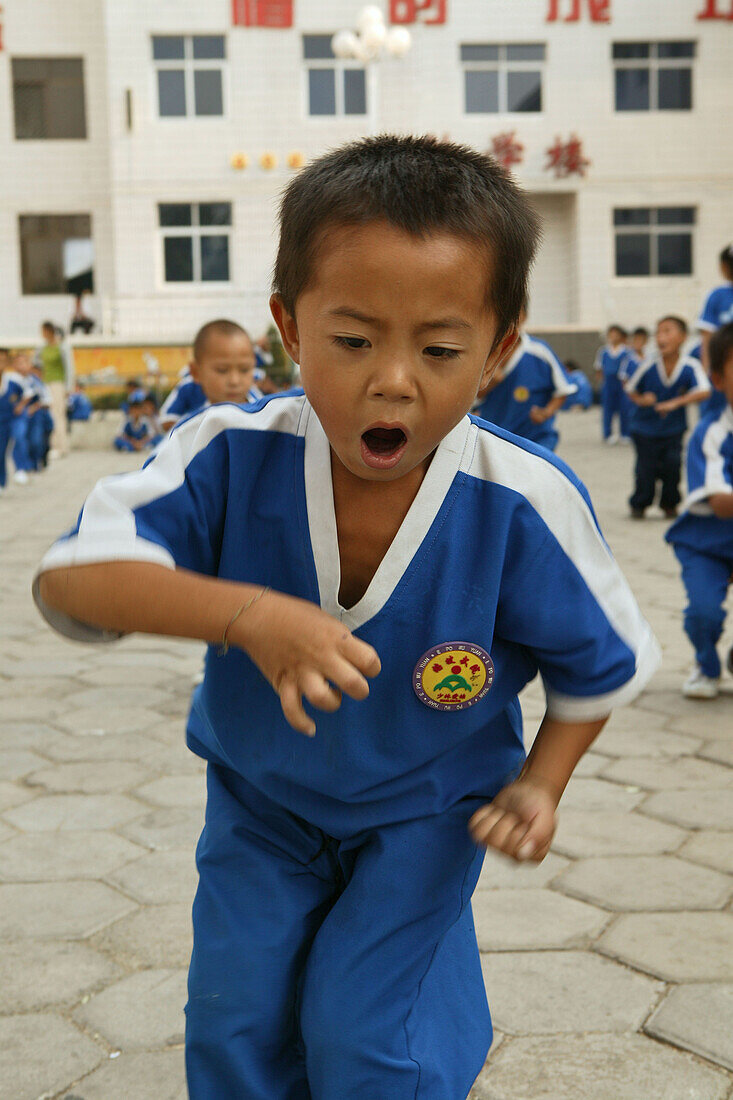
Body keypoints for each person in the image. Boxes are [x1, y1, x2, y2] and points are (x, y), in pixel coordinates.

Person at [34, 135, 660, 1100]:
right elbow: (74, 581)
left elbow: (601, 667)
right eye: (354, 339)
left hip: (427, 811)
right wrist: (244, 615)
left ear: (499, 351)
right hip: (263, 805)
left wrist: (541, 785)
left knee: (366, 1029)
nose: (394, 380)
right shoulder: (226, 452)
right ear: (289, 324)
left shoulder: (521, 500)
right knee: (234, 1016)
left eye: (440, 349)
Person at [665, 322, 733, 698]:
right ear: (719, 379)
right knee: (705, 613)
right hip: (706, 543)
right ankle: (706, 666)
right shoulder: (712, 433)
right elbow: (722, 504)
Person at [625, 316, 711, 519]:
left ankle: (669, 504)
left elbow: (704, 391)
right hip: (644, 428)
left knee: (672, 467)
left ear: (683, 337)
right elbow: (630, 389)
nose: (660, 336)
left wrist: (676, 403)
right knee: (645, 469)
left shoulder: (690, 366)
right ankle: (640, 503)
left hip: (673, 429)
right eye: (658, 332)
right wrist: (642, 399)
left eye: (667, 331)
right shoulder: (648, 365)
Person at [473, 309, 576, 450]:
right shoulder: (481, 351)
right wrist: (491, 382)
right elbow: (469, 398)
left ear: (524, 316)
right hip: (494, 441)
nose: (509, 318)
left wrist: (546, 412)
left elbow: (563, 388)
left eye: (516, 311)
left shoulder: (539, 351)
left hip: (535, 439)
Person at [696, 244, 733, 421]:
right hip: (722, 368)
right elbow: (707, 336)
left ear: (723, 267)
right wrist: (705, 374)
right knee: (714, 417)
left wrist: (705, 370)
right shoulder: (717, 295)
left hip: (722, 367)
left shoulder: (715, 296)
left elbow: (706, 339)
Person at [35, 321, 72, 457]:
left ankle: (62, 446)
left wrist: (69, 387)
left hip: (58, 383)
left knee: (58, 414)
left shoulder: (62, 346)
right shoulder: (42, 347)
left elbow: (69, 367)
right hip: (45, 384)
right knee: (49, 414)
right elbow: (36, 363)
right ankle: (52, 445)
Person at [594, 324, 631, 443]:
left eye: (616, 334)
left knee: (624, 408)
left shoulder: (626, 351)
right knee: (608, 409)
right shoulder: (604, 351)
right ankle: (608, 434)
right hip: (608, 383)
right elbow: (599, 368)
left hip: (622, 383)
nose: (613, 337)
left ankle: (625, 433)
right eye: (611, 334)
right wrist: (601, 382)